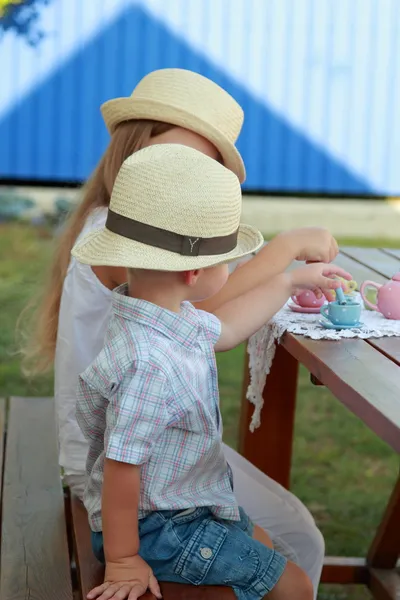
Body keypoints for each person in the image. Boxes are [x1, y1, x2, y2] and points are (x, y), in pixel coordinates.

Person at [22, 68, 338, 596]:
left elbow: (219, 320)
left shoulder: (128, 242)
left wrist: (285, 279)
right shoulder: (124, 248)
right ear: (140, 149)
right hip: (129, 479)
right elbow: (215, 298)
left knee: (285, 531)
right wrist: (282, 252)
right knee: (297, 540)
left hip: (153, 448)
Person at [72, 144, 350, 600]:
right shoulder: (150, 363)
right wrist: (123, 560)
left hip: (188, 501)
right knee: (295, 587)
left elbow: (226, 331)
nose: (232, 268)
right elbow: (122, 466)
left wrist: (287, 283)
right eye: (228, 260)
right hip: (157, 527)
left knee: (266, 548)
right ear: (195, 272)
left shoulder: (157, 313)